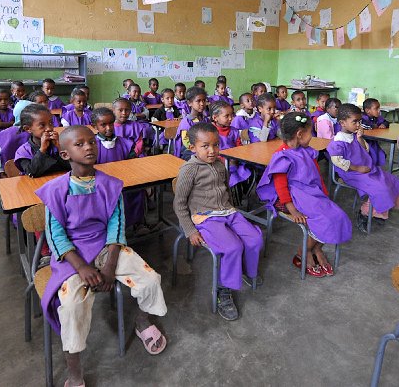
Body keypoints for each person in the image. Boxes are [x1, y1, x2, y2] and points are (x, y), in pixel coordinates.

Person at [38, 126, 167, 387]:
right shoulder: (55, 190)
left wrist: (109, 266)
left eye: (91, 142)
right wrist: (82, 268)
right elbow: (56, 236)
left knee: (150, 279)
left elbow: (116, 226)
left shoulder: (111, 185)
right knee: (72, 306)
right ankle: (74, 371)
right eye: (79, 144)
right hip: (72, 256)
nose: (88, 147)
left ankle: (142, 321)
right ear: (65, 154)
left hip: (108, 247)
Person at [173, 123, 262, 320]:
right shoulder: (189, 170)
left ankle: (245, 270)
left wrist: (231, 211)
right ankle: (224, 291)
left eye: (215, 145)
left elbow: (226, 191)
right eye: (205, 146)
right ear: (193, 147)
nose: (212, 150)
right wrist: (190, 231)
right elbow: (179, 204)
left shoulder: (220, 165)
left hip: (227, 211)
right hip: (204, 217)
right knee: (232, 247)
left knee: (255, 238)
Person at [257, 113, 352, 278]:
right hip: (294, 196)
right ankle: (303, 252)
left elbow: (316, 175)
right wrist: (292, 210)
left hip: (311, 193)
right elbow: (281, 186)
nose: (313, 136)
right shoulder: (282, 155)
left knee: (338, 216)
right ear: (300, 134)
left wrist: (325, 195)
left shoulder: (308, 151)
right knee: (323, 219)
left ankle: (316, 248)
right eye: (311, 132)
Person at [326, 104, 399, 231]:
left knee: (392, 180)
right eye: (354, 122)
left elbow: (365, 150)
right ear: (342, 123)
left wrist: (360, 138)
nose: (358, 125)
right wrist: (358, 169)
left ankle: (380, 209)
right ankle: (364, 213)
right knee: (379, 187)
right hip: (351, 173)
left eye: (359, 121)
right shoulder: (338, 141)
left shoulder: (354, 135)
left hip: (367, 168)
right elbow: (338, 161)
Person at [91, 108, 147, 228]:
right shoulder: (92, 146)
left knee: (138, 190)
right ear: (95, 126)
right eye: (103, 125)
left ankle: (137, 223)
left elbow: (133, 163)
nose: (108, 128)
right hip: (102, 184)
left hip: (124, 182)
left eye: (111, 123)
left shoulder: (125, 143)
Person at [14, 104, 69, 177]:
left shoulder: (59, 144)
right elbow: (32, 173)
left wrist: (59, 147)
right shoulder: (23, 151)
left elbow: (71, 166)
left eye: (50, 123)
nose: (49, 128)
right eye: (42, 125)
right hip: (35, 186)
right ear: (28, 129)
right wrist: (42, 150)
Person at [210, 101, 251, 187]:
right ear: (215, 118)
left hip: (234, 160)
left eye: (232, 115)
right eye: (226, 116)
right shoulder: (210, 132)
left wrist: (236, 158)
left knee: (246, 169)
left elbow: (239, 147)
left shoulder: (234, 131)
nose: (231, 118)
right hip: (217, 163)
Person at [0, 99, 31, 175]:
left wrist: (0, 170)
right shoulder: (34, 133)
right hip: (31, 172)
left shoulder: (6, 133)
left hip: (9, 173)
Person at [175, 86, 208, 160]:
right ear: (190, 103)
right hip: (190, 150)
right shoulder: (186, 122)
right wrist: (198, 148)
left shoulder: (205, 120)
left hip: (204, 148)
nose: (202, 104)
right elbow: (185, 141)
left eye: (204, 100)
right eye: (198, 101)